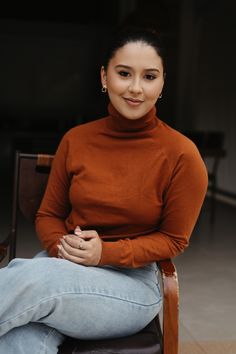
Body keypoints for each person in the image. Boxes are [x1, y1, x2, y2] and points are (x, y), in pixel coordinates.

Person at [0, 26, 208, 353]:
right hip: (59, 267)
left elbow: (173, 239)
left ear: (163, 82)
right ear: (104, 77)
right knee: (18, 339)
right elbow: (49, 214)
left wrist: (103, 254)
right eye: (124, 73)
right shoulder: (76, 140)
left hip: (131, 286)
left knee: (31, 277)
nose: (136, 88)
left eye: (149, 76)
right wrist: (62, 248)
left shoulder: (182, 155)